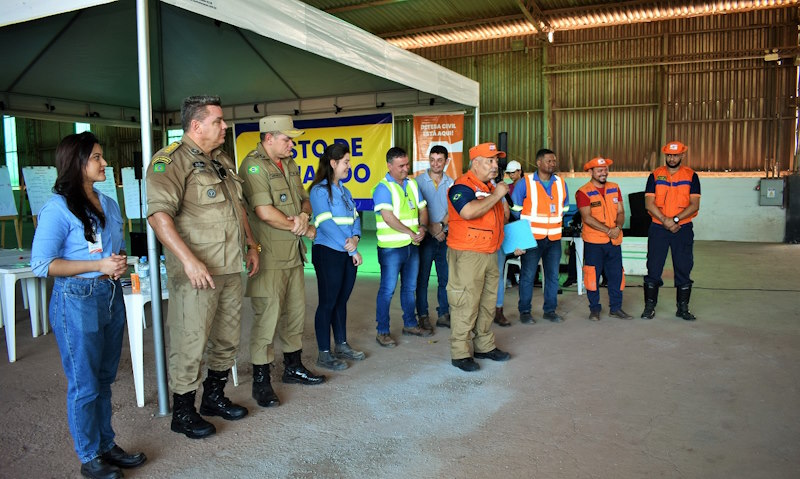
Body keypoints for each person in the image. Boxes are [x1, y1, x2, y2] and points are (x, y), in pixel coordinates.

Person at [32, 132, 146, 479]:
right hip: (76, 299)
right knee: (85, 382)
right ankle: (89, 455)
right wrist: (97, 266)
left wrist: (122, 274)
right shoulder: (57, 207)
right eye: (97, 157)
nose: (105, 163)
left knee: (105, 378)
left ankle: (106, 444)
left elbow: (116, 249)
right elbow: (43, 264)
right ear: (77, 163)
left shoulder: (108, 203)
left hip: (109, 295)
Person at [147, 95, 259, 439]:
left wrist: (251, 244)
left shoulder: (221, 159)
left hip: (228, 266)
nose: (225, 127)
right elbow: (158, 216)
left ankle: (214, 397)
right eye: (218, 121)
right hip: (196, 272)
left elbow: (238, 207)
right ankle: (183, 413)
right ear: (196, 126)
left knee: (226, 339)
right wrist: (189, 260)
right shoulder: (170, 162)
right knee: (190, 340)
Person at [241, 115, 326, 407]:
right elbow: (264, 211)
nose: (292, 144)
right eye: (287, 139)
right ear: (269, 138)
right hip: (269, 255)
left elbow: (304, 198)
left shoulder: (288, 164)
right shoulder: (253, 166)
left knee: (294, 313)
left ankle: (293, 367)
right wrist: (300, 227)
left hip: (293, 254)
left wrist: (304, 217)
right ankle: (261, 381)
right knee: (267, 317)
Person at [447, 142, 511, 371]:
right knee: (465, 302)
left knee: (487, 303)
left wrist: (498, 195)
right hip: (467, 254)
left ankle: (484, 346)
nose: (496, 165)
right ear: (476, 163)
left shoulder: (491, 186)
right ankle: (460, 353)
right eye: (490, 161)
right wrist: (497, 195)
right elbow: (468, 212)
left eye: (496, 161)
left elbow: (501, 217)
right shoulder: (461, 186)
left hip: (490, 252)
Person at [308, 143, 366, 370]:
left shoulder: (345, 190)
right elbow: (326, 224)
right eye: (346, 162)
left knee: (341, 301)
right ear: (333, 163)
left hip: (346, 253)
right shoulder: (319, 191)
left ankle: (341, 344)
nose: (349, 166)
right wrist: (351, 248)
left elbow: (356, 219)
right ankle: (324, 353)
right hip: (328, 253)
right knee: (328, 303)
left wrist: (356, 239)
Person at [372, 146, 431, 347]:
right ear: (389, 166)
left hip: (412, 246)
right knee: (387, 290)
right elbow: (388, 218)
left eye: (407, 164)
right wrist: (411, 233)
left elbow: (423, 209)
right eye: (401, 166)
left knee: (409, 288)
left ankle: (410, 324)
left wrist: (422, 227)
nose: (406, 168)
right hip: (391, 249)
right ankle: (382, 331)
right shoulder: (382, 188)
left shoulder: (412, 184)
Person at [642, 141, 701, 321]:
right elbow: (649, 203)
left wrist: (675, 220)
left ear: (682, 156)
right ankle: (649, 308)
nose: (672, 158)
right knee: (653, 267)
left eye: (675, 155)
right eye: (668, 155)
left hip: (682, 228)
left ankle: (682, 309)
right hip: (658, 228)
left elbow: (695, 205)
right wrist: (665, 220)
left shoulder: (691, 176)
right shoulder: (655, 175)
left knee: (683, 267)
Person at [510, 148, 570, 324]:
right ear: (538, 163)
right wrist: (522, 235)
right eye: (549, 161)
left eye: (554, 161)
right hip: (531, 239)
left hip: (553, 239)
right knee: (528, 275)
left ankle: (550, 310)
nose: (553, 164)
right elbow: (515, 211)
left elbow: (564, 208)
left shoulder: (560, 183)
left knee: (552, 275)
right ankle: (525, 311)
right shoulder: (525, 182)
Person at [576, 157, 633, 320]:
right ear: (591, 172)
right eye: (600, 170)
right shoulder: (583, 192)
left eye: (606, 169)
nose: (604, 173)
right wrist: (610, 230)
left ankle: (616, 308)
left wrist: (618, 228)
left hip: (614, 241)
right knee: (592, 276)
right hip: (594, 243)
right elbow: (587, 218)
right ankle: (594, 309)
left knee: (616, 275)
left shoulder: (615, 188)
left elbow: (621, 212)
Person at [415, 145, 454, 331]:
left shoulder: (451, 183)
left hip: (444, 237)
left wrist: (441, 227)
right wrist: (431, 228)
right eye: (432, 160)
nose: (435, 164)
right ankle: (422, 315)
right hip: (425, 237)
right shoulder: (418, 182)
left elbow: (453, 209)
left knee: (445, 278)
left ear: (446, 161)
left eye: (440, 160)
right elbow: (416, 209)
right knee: (422, 278)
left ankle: (444, 314)